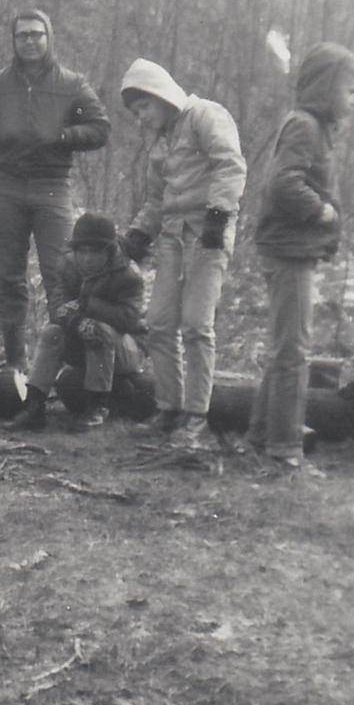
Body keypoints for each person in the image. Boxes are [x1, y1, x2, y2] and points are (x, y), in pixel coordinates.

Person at [0, 7, 110, 370]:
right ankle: (16, 364)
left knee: (61, 274)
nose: (29, 41)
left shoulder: (72, 84)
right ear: (13, 40)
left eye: (36, 34)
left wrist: (64, 135)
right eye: (22, 35)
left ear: (49, 37)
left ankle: (60, 362)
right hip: (6, 185)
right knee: (9, 275)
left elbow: (100, 128)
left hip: (52, 186)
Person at [248, 43, 354, 470]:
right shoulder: (304, 126)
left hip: (295, 249)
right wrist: (322, 211)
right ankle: (284, 446)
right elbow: (282, 185)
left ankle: (264, 433)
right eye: (349, 90)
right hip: (288, 251)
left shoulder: (316, 127)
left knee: (286, 346)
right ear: (325, 87)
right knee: (295, 350)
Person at [119, 59, 247, 447]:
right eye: (136, 111)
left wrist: (218, 215)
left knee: (196, 324)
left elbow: (230, 165)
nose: (141, 117)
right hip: (173, 237)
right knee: (159, 323)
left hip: (207, 234)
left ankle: (196, 415)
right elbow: (157, 198)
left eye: (144, 108)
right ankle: (168, 408)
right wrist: (139, 233)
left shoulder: (206, 115)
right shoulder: (159, 142)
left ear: (161, 95)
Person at [10, 213, 145, 431]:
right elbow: (57, 306)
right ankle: (34, 405)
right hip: (83, 340)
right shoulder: (68, 265)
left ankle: (97, 407)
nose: (87, 258)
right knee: (52, 332)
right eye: (82, 251)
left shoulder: (128, 274)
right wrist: (76, 322)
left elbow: (129, 319)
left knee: (97, 330)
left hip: (128, 348)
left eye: (95, 252)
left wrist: (89, 306)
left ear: (109, 251)